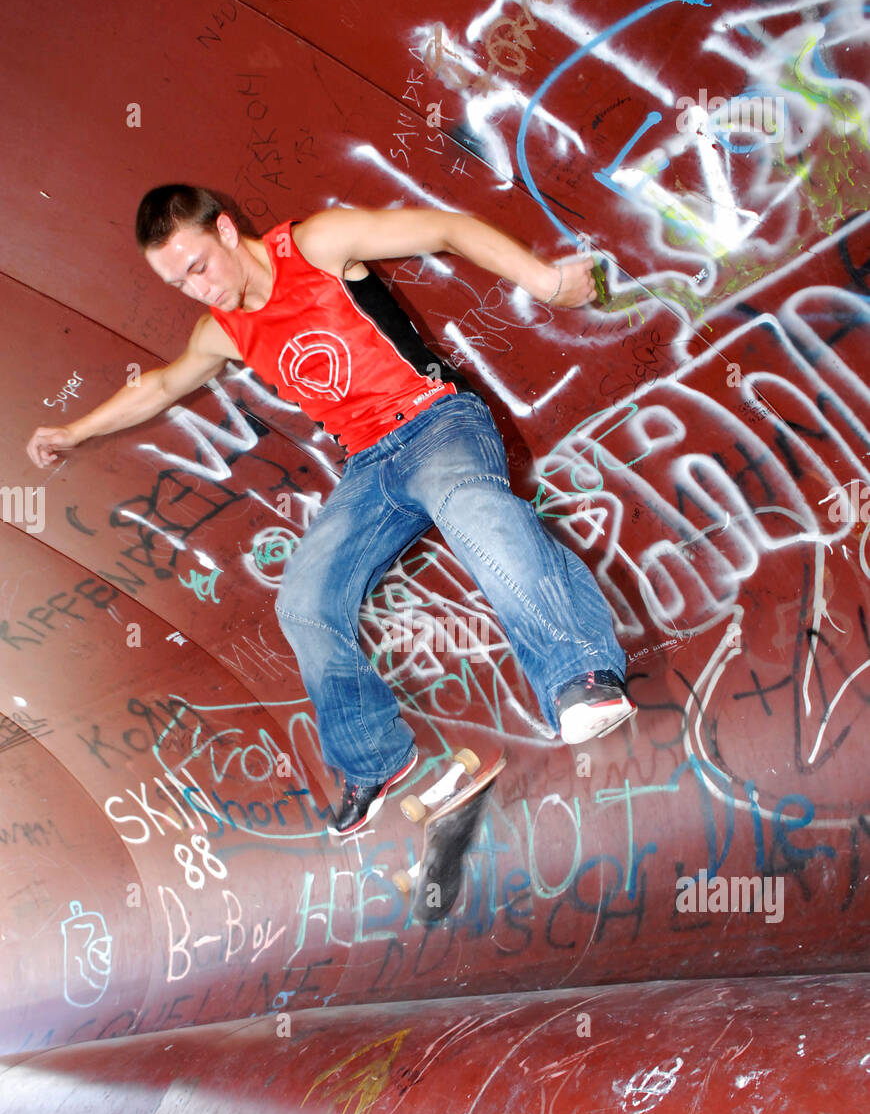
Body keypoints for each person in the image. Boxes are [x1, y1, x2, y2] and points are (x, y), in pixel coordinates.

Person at [27, 184, 636, 836]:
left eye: (199, 266)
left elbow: (446, 226)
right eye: (180, 283)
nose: (198, 289)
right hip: (371, 466)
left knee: (470, 507)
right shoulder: (222, 332)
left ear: (228, 232)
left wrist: (545, 282)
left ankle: (582, 676)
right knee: (303, 599)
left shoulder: (317, 246)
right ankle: (372, 757)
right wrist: (75, 432)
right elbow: (162, 384)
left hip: (438, 423)